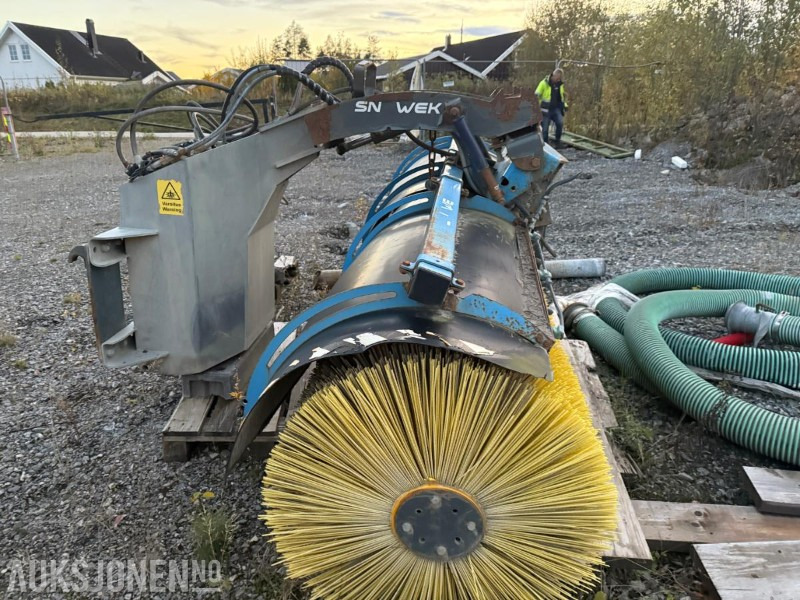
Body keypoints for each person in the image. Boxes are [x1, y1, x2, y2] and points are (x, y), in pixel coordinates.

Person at [535, 68, 568, 147]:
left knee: (560, 123)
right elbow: (536, 95)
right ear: (553, 75)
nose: (558, 80)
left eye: (559, 78)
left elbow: (561, 97)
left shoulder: (560, 85)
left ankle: (557, 142)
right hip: (545, 110)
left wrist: (565, 106)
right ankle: (546, 145)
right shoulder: (543, 83)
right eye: (557, 78)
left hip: (556, 109)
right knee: (545, 129)